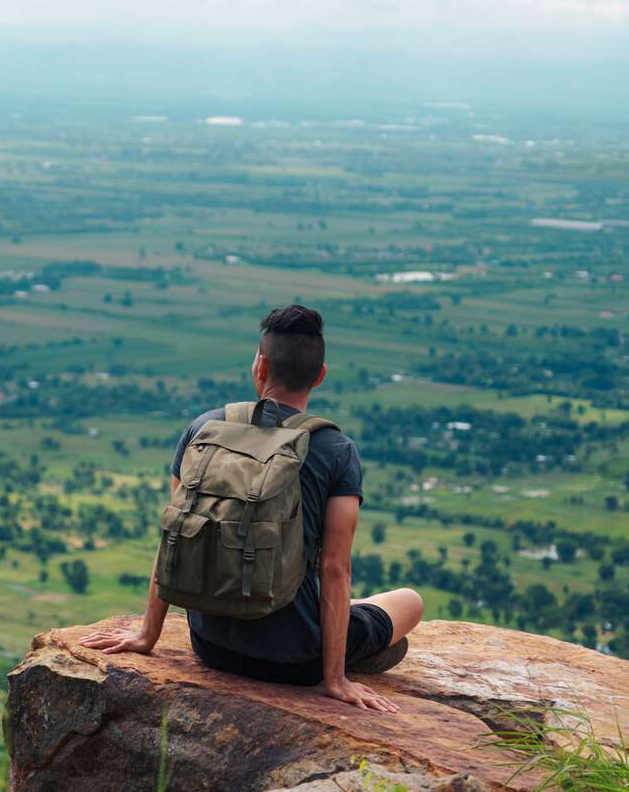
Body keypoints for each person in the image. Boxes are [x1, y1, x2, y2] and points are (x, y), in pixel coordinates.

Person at [80, 304, 423, 713]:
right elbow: (334, 568)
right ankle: (356, 653)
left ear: (259, 367)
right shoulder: (335, 449)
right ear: (320, 375)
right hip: (295, 662)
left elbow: (174, 535)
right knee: (409, 601)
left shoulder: (204, 428)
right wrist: (334, 680)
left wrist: (146, 636)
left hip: (211, 645)